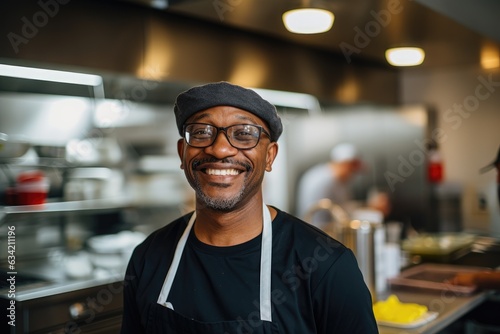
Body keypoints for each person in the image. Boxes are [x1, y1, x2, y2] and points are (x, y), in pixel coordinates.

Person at [120, 81, 378, 333]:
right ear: (182, 153)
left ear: (269, 156)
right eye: (201, 132)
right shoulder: (148, 257)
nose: (220, 149)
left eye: (243, 134)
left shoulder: (327, 267)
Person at [296, 143, 364, 231]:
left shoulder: (339, 180)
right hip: (315, 232)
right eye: (352, 169)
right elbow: (321, 218)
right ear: (345, 164)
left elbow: (342, 207)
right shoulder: (322, 181)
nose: (353, 174)